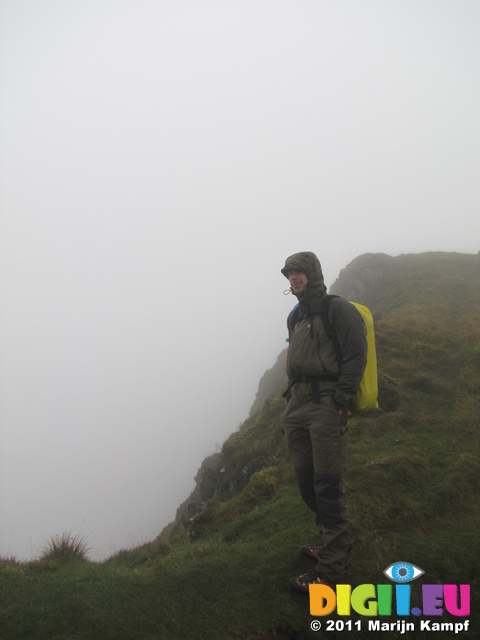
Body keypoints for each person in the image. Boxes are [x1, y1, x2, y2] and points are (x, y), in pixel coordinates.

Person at [280, 251, 367, 595]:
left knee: (328, 486)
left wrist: (340, 399)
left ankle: (331, 573)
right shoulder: (296, 315)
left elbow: (355, 353)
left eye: (298, 272)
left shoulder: (337, 308)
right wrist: (290, 400)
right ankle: (334, 547)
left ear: (312, 273)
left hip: (326, 405)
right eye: (289, 274)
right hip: (298, 405)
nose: (293, 278)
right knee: (306, 483)